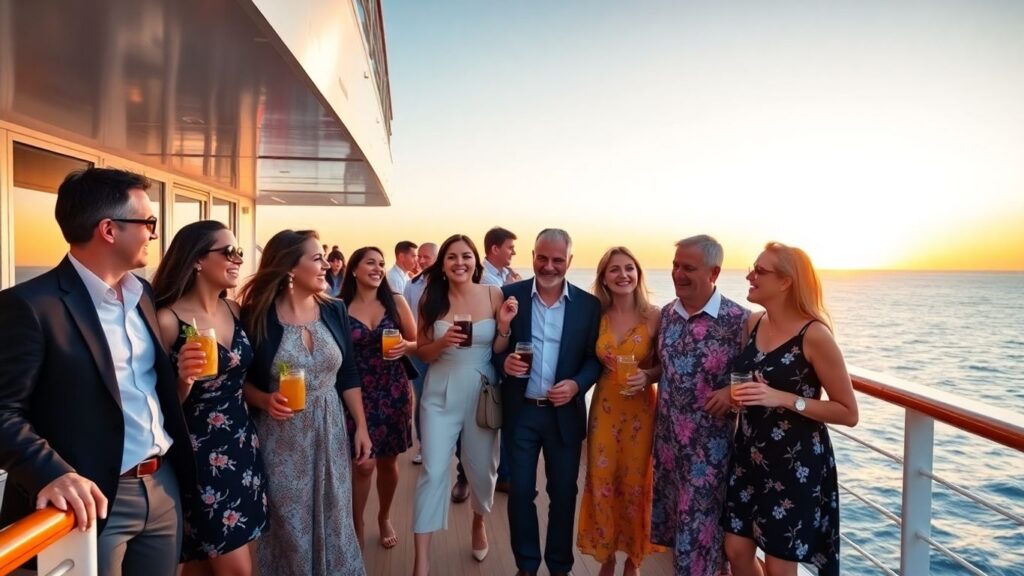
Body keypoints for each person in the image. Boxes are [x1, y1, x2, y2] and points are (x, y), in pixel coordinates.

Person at [0, 168, 194, 576]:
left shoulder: (142, 293)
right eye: (148, 223)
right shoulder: (31, 306)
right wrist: (53, 474)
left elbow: (140, 387)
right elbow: (3, 411)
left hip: (162, 487)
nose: (154, 234)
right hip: (90, 502)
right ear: (109, 229)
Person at [239, 229, 371, 575]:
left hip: (330, 430)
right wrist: (265, 399)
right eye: (316, 258)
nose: (327, 265)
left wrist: (361, 428)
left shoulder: (335, 310)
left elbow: (349, 374)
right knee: (289, 525)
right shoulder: (256, 315)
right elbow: (240, 383)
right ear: (290, 268)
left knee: (335, 517)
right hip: (281, 438)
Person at [725, 242, 859, 576]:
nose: (749, 275)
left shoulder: (814, 335)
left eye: (760, 271)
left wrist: (783, 398)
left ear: (786, 282)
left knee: (779, 565)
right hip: (748, 455)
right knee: (736, 550)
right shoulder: (754, 323)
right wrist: (735, 396)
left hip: (794, 463)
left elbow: (848, 411)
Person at [152, 221, 268, 574]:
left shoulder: (234, 310)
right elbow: (156, 405)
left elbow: (239, 378)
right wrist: (183, 380)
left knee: (205, 566)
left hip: (243, 446)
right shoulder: (168, 320)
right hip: (202, 455)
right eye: (229, 252)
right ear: (198, 260)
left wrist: (264, 400)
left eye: (240, 253)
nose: (238, 260)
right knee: (237, 570)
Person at [497, 228, 602, 576]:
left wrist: (577, 384)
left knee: (563, 494)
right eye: (542, 258)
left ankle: (560, 567)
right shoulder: (509, 295)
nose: (549, 266)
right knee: (521, 491)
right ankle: (527, 565)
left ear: (569, 262)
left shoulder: (589, 306)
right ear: (533, 256)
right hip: (522, 412)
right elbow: (492, 348)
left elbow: (594, 358)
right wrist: (504, 363)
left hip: (564, 415)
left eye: (558, 260)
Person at [411, 234, 518, 576]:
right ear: (442, 264)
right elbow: (422, 352)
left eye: (466, 256)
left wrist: (502, 328)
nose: (460, 263)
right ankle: (422, 560)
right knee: (433, 469)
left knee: (482, 470)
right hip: (439, 392)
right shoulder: (431, 299)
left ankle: (478, 521)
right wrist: (442, 341)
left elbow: (500, 350)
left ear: (476, 261)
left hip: (481, 391)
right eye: (452, 257)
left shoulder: (493, 293)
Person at [650, 235, 750, 576]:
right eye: (676, 265)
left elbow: (759, 379)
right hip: (667, 450)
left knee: (699, 543)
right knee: (683, 540)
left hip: (709, 457)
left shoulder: (740, 321)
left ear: (714, 272)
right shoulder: (667, 315)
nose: (678, 273)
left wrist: (732, 393)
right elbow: (664, 366)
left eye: (688, 267)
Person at [577, 247, 665, 576]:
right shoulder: (595, 315)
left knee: (636, 484)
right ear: (603, 277)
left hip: (641, 411)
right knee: (601, 480)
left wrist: (649, 375)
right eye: (614, 269)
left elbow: (663, 367)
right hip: (605, 406)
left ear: (639, 274)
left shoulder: (655, 316)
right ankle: (607, 554)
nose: (623, 274)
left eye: (629, 268)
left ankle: (633, 558)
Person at [340, 246, 418, 550]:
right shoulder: (338, 307)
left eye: (381, 263)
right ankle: (356, 523)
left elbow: (417, 342)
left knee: (388, 462)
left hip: (393, 390)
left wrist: (405, 347)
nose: (377, 267)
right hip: (356, 391)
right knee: (363, 464)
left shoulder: (396, 302)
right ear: (354, 269)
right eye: (370, 262)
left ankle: (384, 516)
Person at [478, 226, 521, 494]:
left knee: (502, 413)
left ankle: (503, 472)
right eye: (509, 247)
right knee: (486, 414)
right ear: (494, 248)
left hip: (505, 349)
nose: (513, 252)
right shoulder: (484, 280)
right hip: (489, 351)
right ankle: (472, 475)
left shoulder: (506, 276)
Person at [403, 242, 438, 465]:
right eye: (420, 257)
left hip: (444, 350)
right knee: (423, 398)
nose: (422, 261)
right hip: (418, 350)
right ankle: (425, 445)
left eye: (427, 257)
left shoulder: (446, 284)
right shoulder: (411, 285)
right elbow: (404, 319)